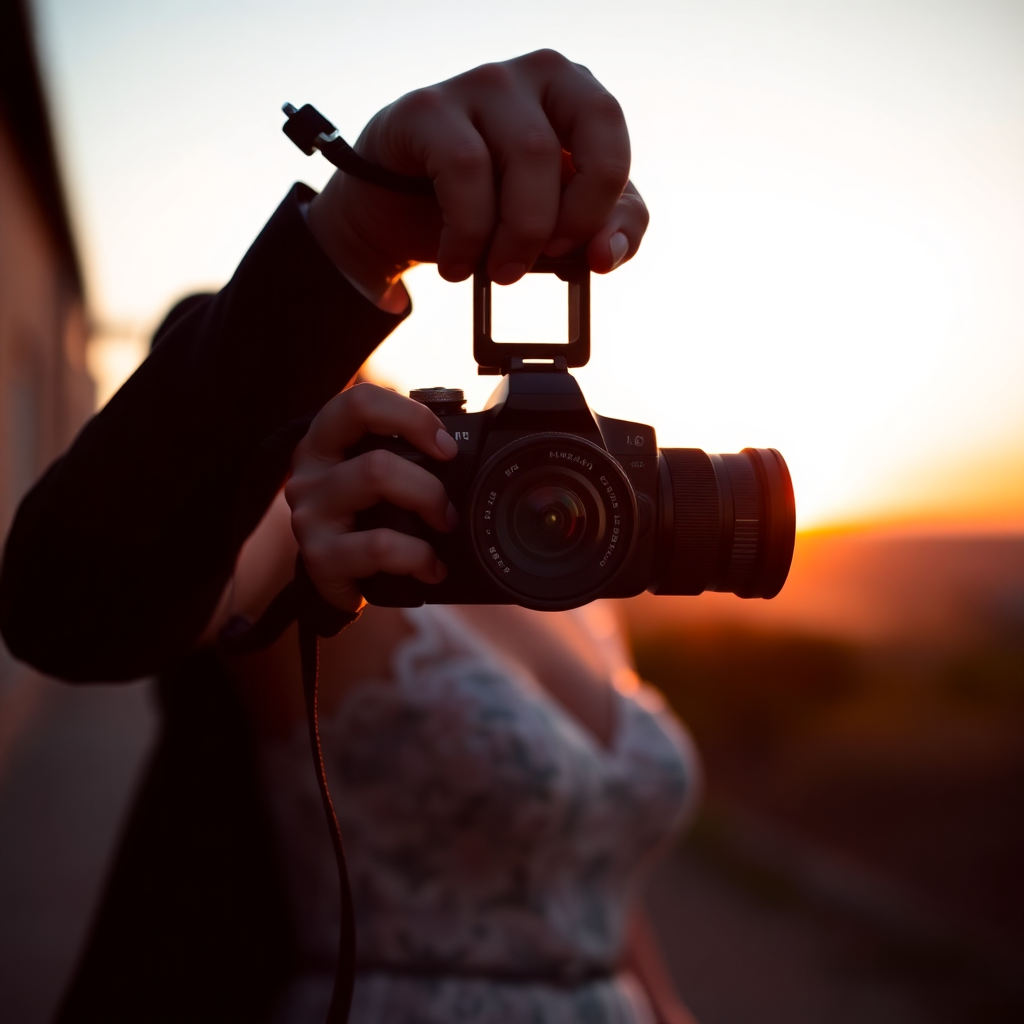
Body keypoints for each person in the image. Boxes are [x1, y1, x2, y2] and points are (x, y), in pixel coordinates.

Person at [0, 50, 698, 1023]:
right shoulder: (328, 500)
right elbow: (79, 598)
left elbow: (594, 875)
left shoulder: (568, 547)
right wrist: (357, 232)